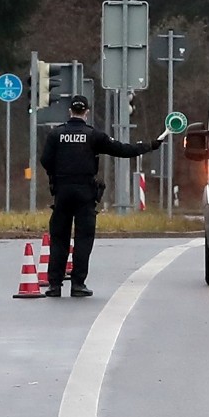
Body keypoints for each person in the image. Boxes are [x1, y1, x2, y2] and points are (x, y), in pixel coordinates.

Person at [39, 94, 162, 297]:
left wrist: (58, 175)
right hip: (85, 192)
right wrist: (148, 145)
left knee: (59, 237)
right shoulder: (93, 135)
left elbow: (45, 160)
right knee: (83, 238)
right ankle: (78, 284)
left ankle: (54, 285)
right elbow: (122, 150)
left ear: (70, 111)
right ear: (86, 112)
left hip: (62, 191)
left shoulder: (56, 134)